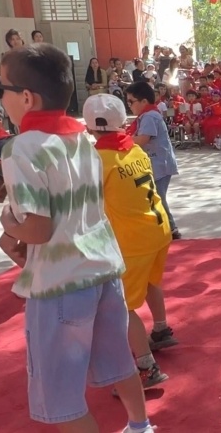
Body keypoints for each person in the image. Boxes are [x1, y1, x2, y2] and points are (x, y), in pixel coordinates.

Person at [0, 43, 154, 433]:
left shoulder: (21, 148)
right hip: (103, 271)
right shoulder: (83, 139)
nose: (0, 98)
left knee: (61, 396)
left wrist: (8, 227)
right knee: (119, 362)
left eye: (2, 89)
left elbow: (36, 228)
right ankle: (140, 426)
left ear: (27, 97)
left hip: (60, 283)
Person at [83, 94, 173, 393]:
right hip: (158, 229)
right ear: (123, 121)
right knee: (150, 282)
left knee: (123, 306)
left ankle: (146, 368)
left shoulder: (96, 159)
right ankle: (160, 330)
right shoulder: (135, 150)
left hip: (132, 240)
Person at [125, 81, 182, 241]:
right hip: (156, 164)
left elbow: (142, 139)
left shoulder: (149, 116)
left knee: (156, 196)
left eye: (131, 101)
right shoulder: (146, 115)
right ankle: (166, 227)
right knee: (154, 196)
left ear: (144, 101)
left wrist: (123, 140)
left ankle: (170, 228)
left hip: (160, 165)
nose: (129, 105)